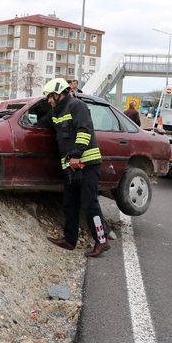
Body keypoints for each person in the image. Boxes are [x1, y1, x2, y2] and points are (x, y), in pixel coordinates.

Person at [42, 78, 110, 258]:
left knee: (89, 204)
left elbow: (84, 131)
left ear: (58, 94)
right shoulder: (56, 112)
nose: (48, 100)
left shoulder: (76, 106)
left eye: (49, 97)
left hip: (86, 163)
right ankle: (69, 240)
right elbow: (42, 123)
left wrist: (76, 155)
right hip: (71, 167)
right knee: (69, 204)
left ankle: (102, 241)